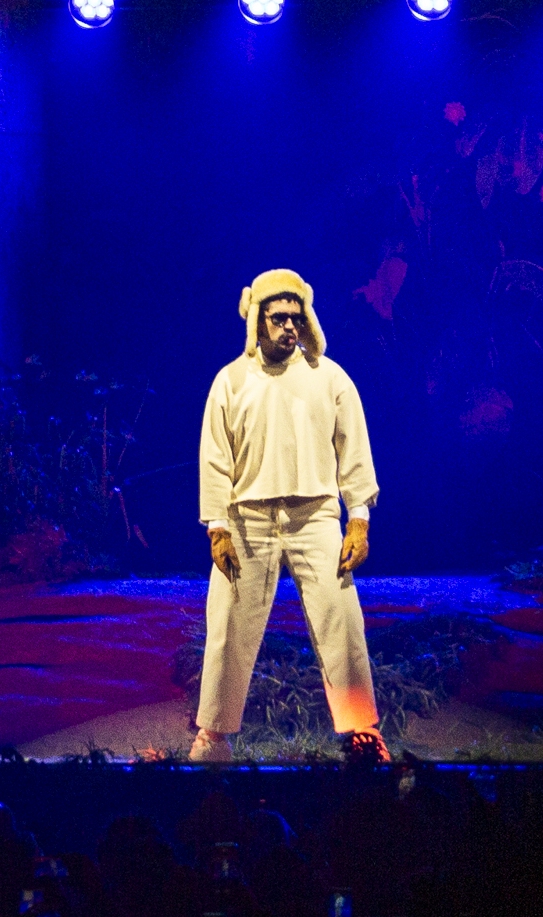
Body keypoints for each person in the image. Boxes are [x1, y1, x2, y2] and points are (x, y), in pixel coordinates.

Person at [191, 269, 383, 763]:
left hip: (315, 516)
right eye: (278, 318)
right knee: (229, 624)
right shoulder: (230, 381)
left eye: (296, 318)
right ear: (258, 320)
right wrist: (217, 526)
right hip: (247, 522)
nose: (289, 328)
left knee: (341, 620)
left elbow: (353, 447)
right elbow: (215, 458)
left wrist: (357, 517)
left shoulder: (330, 377)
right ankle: (213, 735)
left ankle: (362, 730)